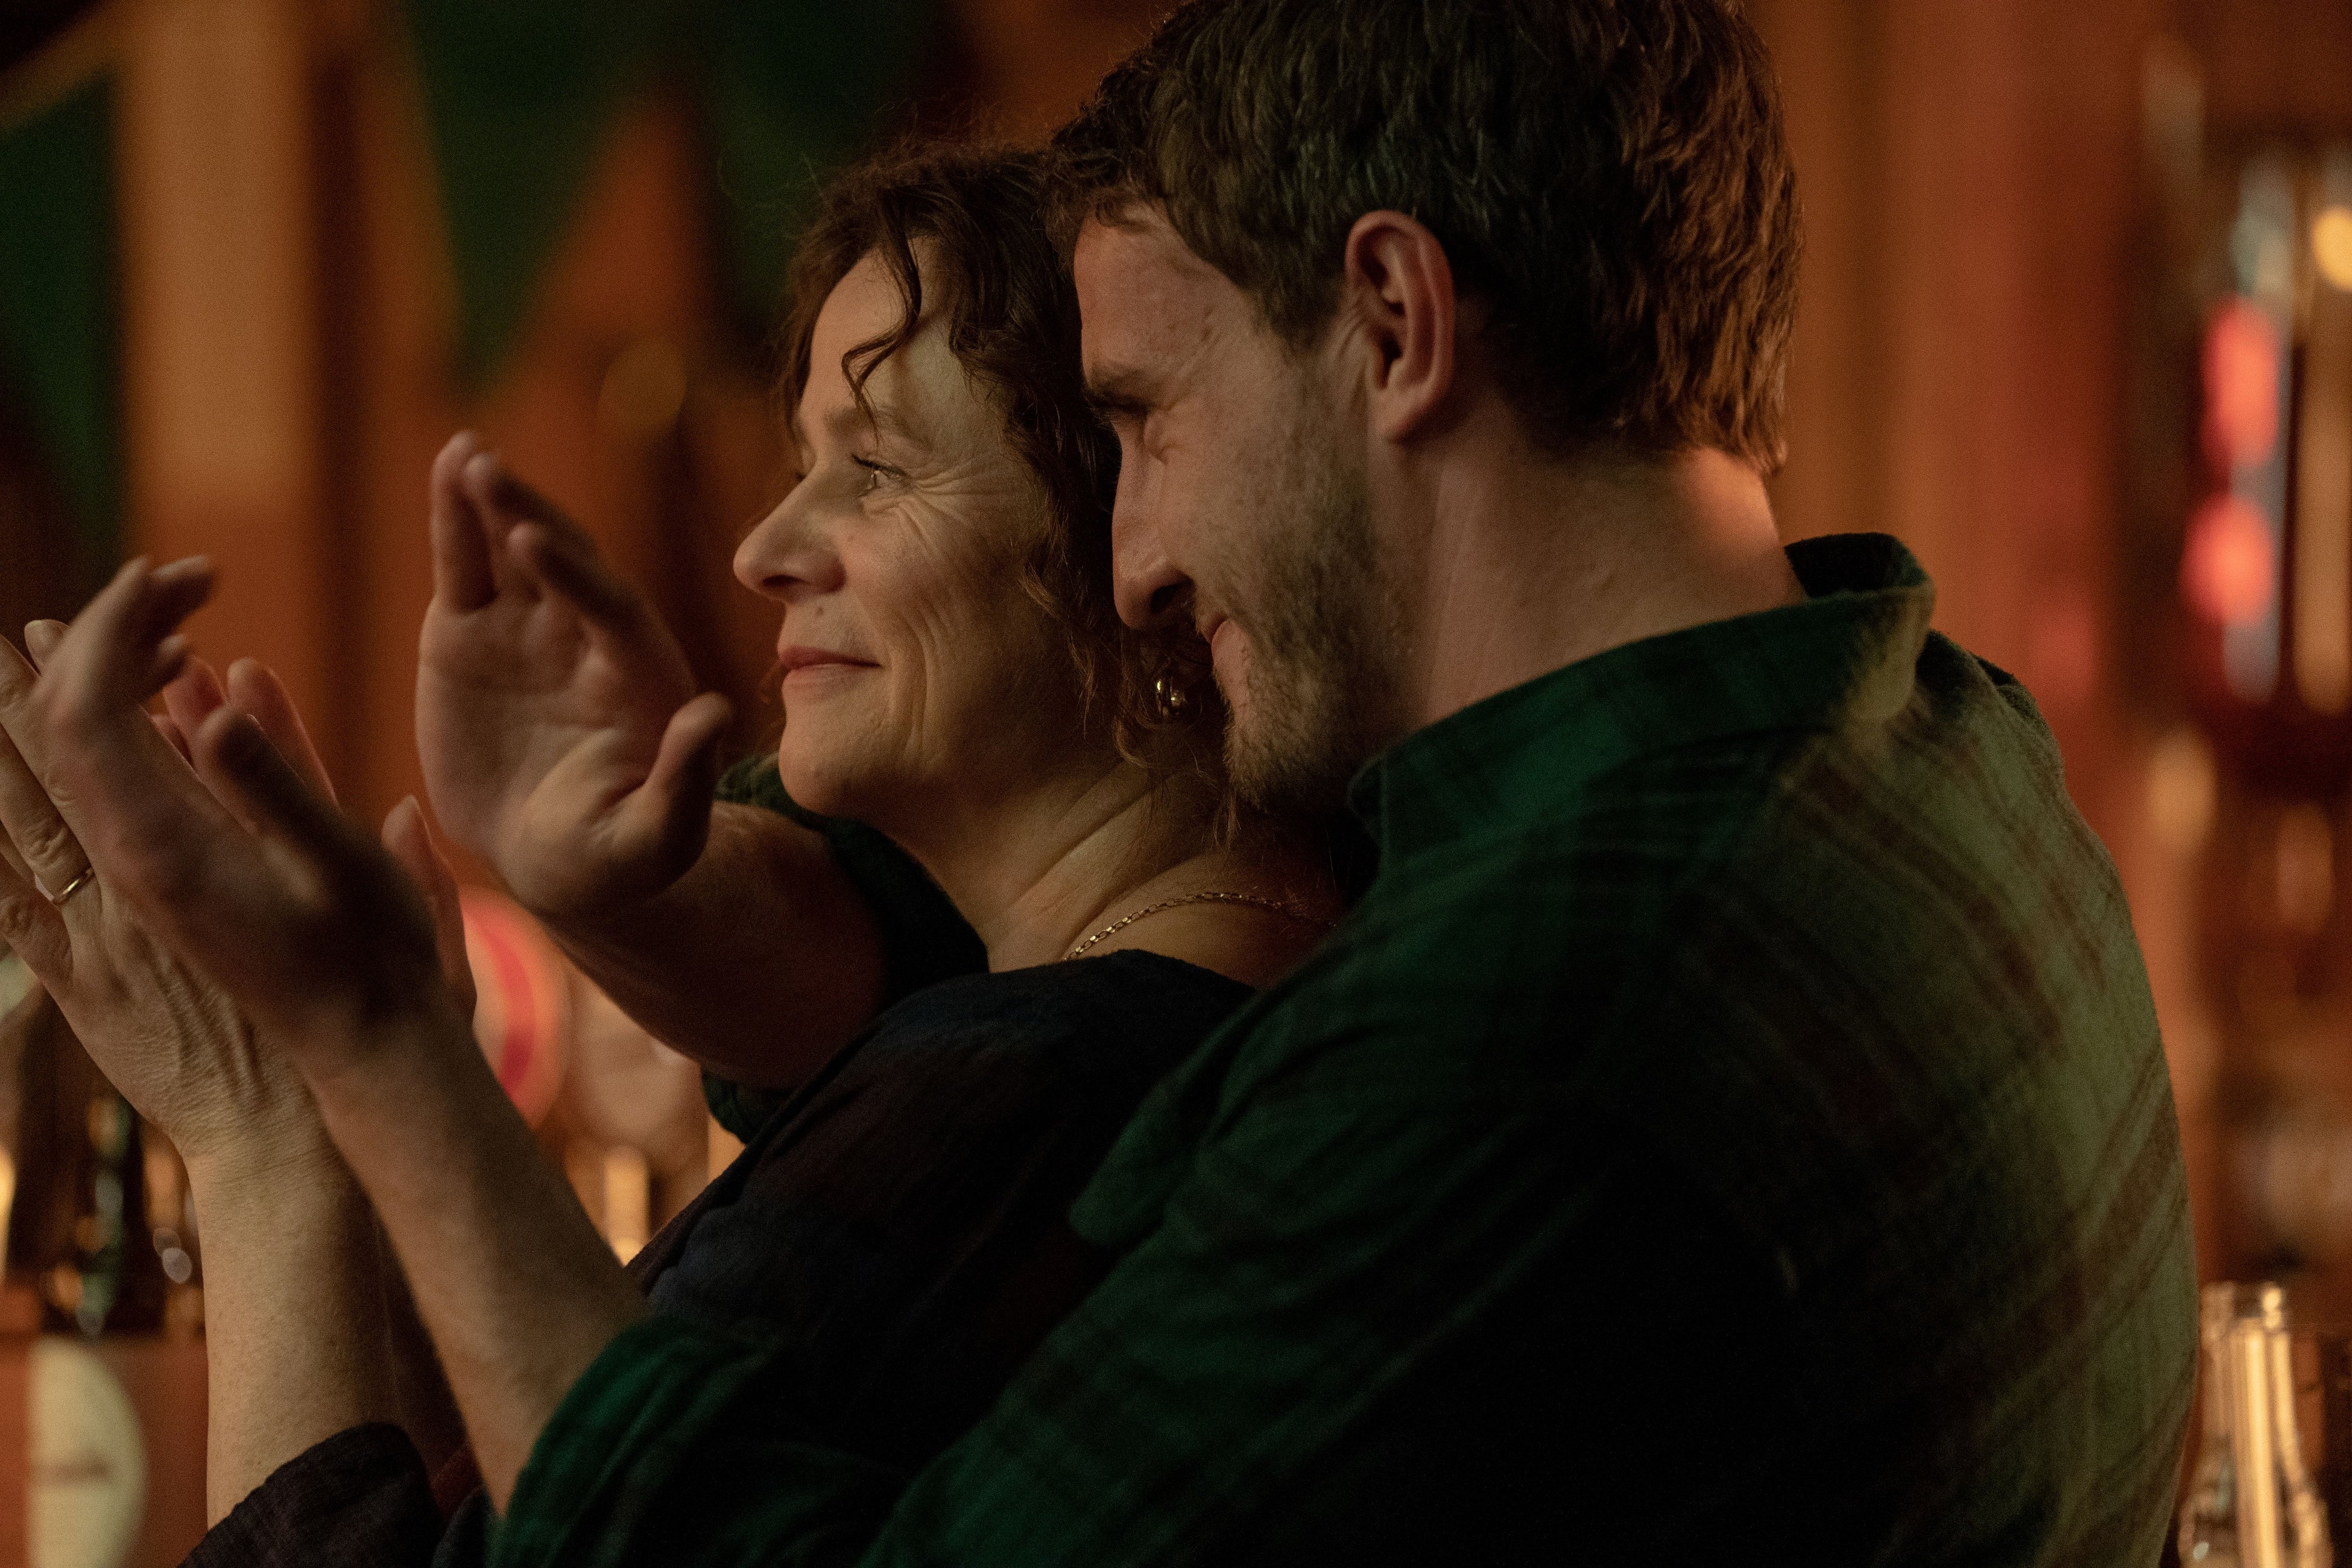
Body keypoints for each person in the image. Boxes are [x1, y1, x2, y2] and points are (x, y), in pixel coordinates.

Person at [19, 1, 2198, 1562]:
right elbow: (1036, 981)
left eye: (1145, 415)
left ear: (1393, 321)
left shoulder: (1521, 1031)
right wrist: (648, 895)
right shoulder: (1931, 740)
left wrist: (370, 1054)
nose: (1138, 556)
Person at [0, 144, 1337, 1560]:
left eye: (875, 469)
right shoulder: (1074, 1008)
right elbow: (481, 1517)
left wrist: (262, 1129)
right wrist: (352, 1113)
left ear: (1131, 530)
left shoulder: (1034, 1083)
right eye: (800, 464)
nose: (766, 547)